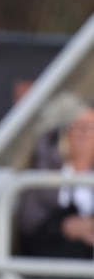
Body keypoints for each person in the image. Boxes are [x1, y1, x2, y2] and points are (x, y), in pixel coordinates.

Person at [18, 94, 94, 259]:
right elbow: (31, 229)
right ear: (66, 133)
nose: (83, 134)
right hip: (54, 260)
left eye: (90, 128)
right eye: (78, 126)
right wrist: (64, 226)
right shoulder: (43, 173)